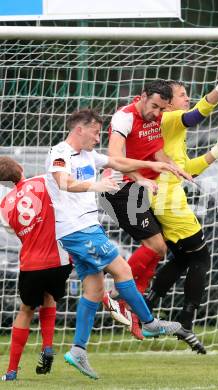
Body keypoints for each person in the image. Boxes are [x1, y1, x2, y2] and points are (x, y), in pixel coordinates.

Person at [102, 56, 218, 352]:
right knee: (200, 257)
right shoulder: (164, 118)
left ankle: (145, 305)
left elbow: (184, 167)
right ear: (164, 102)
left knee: (176, 256)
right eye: (182, 95)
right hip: (160, 197)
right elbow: (195, 115)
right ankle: (171, 316)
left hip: (161, 192)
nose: (187, 99)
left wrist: (216, 152)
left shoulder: (164, 128)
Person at [45, 108, 182, 380]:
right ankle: (150, 322)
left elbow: (120, 163)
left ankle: (78, 350)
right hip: (79, 231)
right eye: (96, 133)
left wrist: (156, 166)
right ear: (79, 129)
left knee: (94, 290)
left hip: (85, 229)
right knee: (123, 270)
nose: (98, 138)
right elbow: (63, 182)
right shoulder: (59, 153)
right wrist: (97, 187)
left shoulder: (89, 156)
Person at [0, 157, 72, 381]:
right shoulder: (43, 180)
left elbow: (13, 232)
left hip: (31, 263)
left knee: (26, 310)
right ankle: (48, 346)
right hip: (59, 259)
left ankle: (11, 371)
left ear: (4, 183)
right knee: (49, 296)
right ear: (20, 169)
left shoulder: (4, 205)